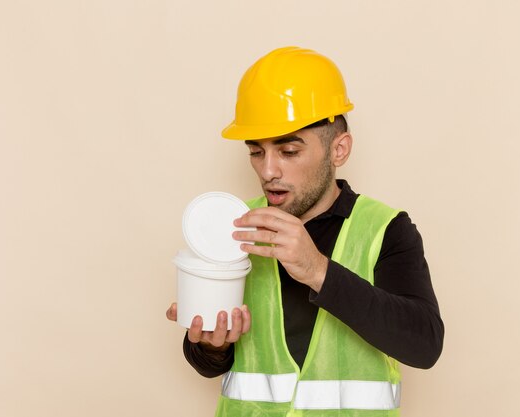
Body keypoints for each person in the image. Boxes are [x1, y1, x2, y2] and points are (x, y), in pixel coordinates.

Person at [166, 46, 444, 417]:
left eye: (289, 151)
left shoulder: (385, 229)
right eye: (256, 152)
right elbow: (211, 363)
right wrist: (212, 346)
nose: (268, 171)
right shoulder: (235, 224)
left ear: (339, 150)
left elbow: (424, 345)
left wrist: (317, 269)